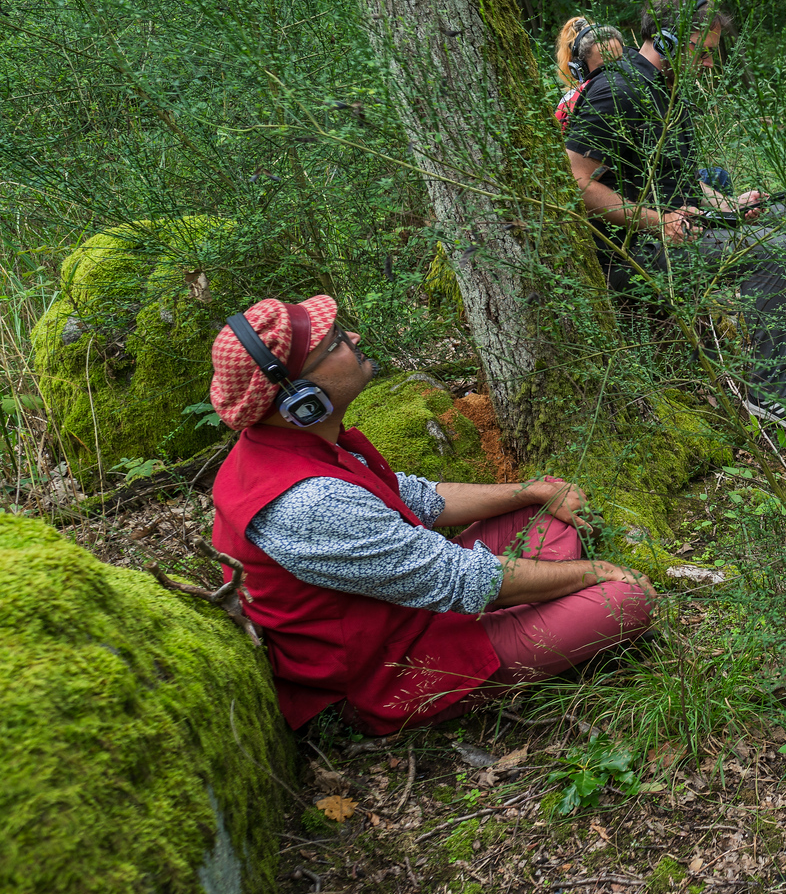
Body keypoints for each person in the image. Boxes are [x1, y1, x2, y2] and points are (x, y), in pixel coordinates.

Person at [206, 296, 655, 734]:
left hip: (408, 612)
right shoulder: (310, 502)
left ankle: (537, 612)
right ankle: (459, 684)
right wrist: (594, 572)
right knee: (628, 600)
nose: (354, 337)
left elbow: (416, 498)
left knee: (545, 505)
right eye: (336, 341)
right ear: (302, 398)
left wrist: (530, 490)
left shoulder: (302, 448)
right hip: (386, 673)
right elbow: (460, 579)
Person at [561, 0, 786, 432]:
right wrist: (657, 221)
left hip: (671, 230)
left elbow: (677, 177)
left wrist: (728, 206)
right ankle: (770, 395)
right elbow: (577, 180)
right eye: (704, 52)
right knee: (770, 250)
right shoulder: (617, 90)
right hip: (630, 251)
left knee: (781, 221)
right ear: (669, 40)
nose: (710, 64)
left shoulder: (665, 90)